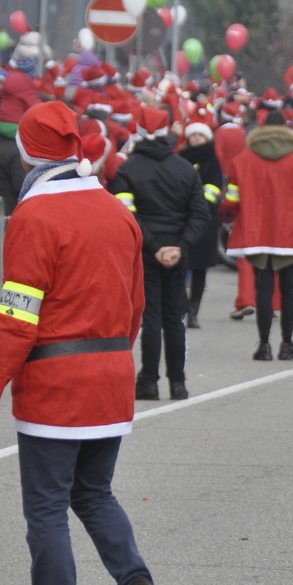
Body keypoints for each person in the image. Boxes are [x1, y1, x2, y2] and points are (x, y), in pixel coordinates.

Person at [0, 102, 159, 585]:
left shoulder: (35, 218)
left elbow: (16, 315)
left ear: (26, 153)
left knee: (46, 507)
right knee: (93, 494)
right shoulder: (117, 212)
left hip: (56, 381)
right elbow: (135, 304)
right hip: (111, 372)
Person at [110, 107, 212, 401]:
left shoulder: (128, 169)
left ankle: (149, 381)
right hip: (178, 252)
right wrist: (180, 246)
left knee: (151, 316)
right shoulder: (184, 168)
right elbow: (200, 214)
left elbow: (125, 215)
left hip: (146, 252)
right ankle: (178, 383)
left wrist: (155, 247)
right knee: (174, 318)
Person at [225, 101, 293, 360]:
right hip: (289, 233)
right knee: (288, 290)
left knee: (263, 288)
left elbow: (232, 199)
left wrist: (241, 214)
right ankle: (287, 343)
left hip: (256, 232)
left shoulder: (243, 159)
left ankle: (264, 345)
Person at [178, 122, 225, 329]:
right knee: (181, 266)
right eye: (193, 135)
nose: (196, 138)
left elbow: (214, 188)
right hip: (182, 219)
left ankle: (194, 310)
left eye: (200, 135)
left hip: (205, 220)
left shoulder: (212, 160)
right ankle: (181, 308)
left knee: (199, 269)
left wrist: (198, 203)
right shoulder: (180, 158)